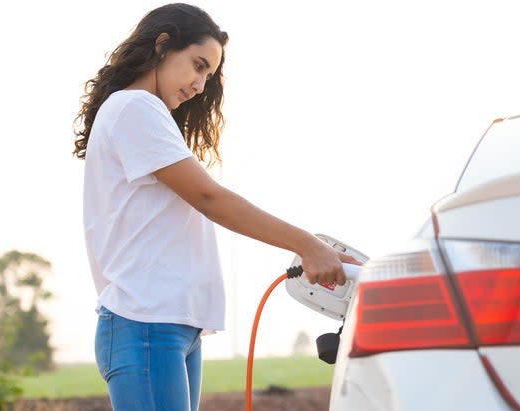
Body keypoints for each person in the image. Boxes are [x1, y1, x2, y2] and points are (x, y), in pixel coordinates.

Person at [73, 3, 358, 410]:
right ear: (162, 44)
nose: (200, 85)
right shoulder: (133, 107)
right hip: (146, 324)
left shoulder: (143, 114)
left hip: (170, 326)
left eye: (209, 73)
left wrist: (318, 250)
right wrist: (307, 245)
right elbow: (210, 198)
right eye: (197, 65)